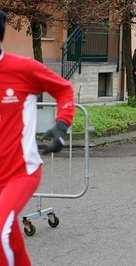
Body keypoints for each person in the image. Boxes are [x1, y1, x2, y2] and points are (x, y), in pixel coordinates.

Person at [0, 10, 75, 266]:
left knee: (0, 230)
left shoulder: (22, 68)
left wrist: (62, 125)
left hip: (21, 171)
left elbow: (64, 89)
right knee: (8, 237)